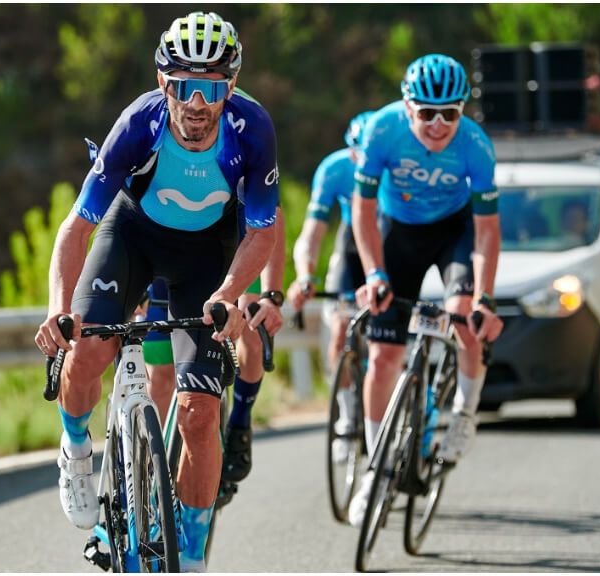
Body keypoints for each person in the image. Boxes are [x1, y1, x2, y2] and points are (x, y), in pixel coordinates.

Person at [33, 12, 279, 572]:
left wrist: (230, 293)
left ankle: (190, 548)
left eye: (212, 87)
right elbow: (76, 228)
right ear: (164, 83)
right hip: (133, 237)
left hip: (206, 258)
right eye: (185, 86)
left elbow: (263, 230)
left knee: (196, 413)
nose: (198, 102)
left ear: (231, 87)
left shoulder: (253, 130)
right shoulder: (139, 124)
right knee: (87, 350)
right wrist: (58, 312)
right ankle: (75, 449)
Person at [347, 54, 505, 526]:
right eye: (426, 113)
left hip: (453, 234)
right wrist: (375, 274)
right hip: (398, 235)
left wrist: (486, 297)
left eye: (449, 114)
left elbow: (487, 231)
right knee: (381, 359)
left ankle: (465, 411)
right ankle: (376, 471)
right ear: (406, 106)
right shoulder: (381, 130)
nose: (438, 125)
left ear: (462, 111)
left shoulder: (476, 145)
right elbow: (361, 211)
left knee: (463, 319)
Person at [141, 205, 286, 485]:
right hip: (168, 249)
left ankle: (240, 424)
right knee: (160, 378)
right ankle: (146, 482)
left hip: (235, 248)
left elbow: (273, 216)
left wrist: (271, 296)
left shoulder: (239, 162)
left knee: (252, 327)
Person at [286, 112, 376, 462]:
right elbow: (312, 233)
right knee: (339, 329)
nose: (362, 164)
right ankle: (348, 417)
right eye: (357, 154)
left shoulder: (398, 169)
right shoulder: (335, 169)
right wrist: (305, 275)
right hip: (353, 246)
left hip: (391, 242)